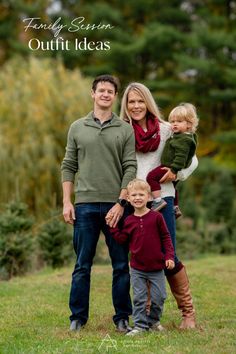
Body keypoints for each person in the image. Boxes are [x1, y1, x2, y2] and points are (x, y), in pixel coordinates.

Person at [114, 82, 198, 329]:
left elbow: (192, 159)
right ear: (126, 106)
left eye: (140, 101)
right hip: (134, 201)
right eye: (131, 102)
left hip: (163, 200)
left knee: (167, 254)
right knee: (142, 257)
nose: (136, 106)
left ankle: (188, 313)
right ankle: (150, 318)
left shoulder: (165, 129)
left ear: (147, 102)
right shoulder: (122, 131)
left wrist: (177, 175)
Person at [61, 74, 137, 332]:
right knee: (82, 265)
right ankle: (77, 318)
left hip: (117, 207)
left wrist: (121, 202)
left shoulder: (125, 129)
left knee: (120, 264)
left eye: (110, 91)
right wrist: (66, 202)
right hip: (84, 206)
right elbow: (69, 165)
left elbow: (130, 166)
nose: (105, 94)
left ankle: (122, 318)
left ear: (115, 97)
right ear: (92, 93)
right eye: (101, 90)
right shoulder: (77, 127)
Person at [109, 179, 175, 336]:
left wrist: (169, 256)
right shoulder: (128, 220)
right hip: (137, 268)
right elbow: (122, 239)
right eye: (134, 195)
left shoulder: (156, 217)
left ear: (149, 197)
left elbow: (166, 237)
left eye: (141, 194)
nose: (137, 197)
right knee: (139, 298)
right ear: (129, 199)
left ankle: (153, 321)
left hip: (157, 267)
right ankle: (139, 326)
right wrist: (112, 227)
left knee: (159, 297)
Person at [146, 103, 198, 212]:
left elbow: (181, 157)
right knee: (173, 186)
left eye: (179, 122)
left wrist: (173, 170)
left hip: (169, 167)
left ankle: (157, 201)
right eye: (173, 121)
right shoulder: (182, 136)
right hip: (172, 167)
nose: (174, 124)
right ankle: (175, 207)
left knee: (151, 177)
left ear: (189, 124)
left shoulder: (183, 140)